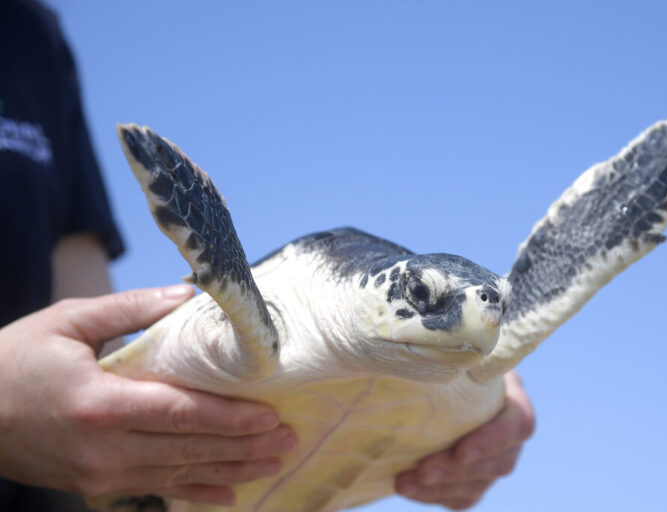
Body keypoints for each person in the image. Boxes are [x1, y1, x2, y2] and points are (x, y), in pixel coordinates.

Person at [0, 1, 534, 510]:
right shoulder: (275, 322)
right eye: (424, 295)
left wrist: (484, 377)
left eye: (495, 314)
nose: (473, 322)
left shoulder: (31, 37)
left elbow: (85, 313)